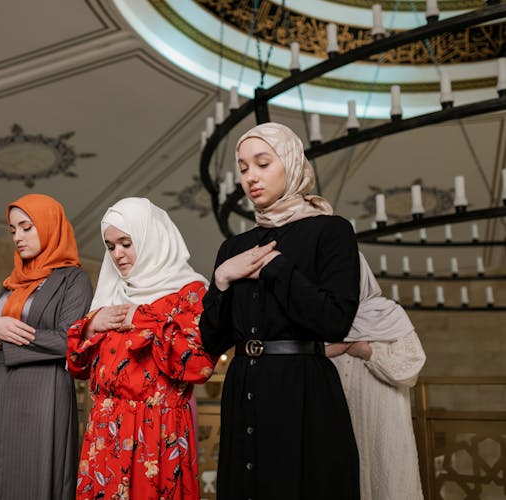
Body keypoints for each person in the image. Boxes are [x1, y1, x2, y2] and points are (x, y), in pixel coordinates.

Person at [200, 122, 361, 499]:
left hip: (303, 388)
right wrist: (222, 279)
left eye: (262, 163)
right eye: (243, 169)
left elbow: (335, 321)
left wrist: (277, 268)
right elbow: (210, 339)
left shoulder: (331, 230)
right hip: (244, 387)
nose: (250, 177)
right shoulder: (233, 248)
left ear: (290, 164)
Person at [67, 197, 215, 500]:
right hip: (106, 431)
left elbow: (199, 364)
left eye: (126, 243)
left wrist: (142, 319)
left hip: (156, 433)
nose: (118, 255)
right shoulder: (110, 291)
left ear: (150, 238)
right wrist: (92, 326)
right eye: (111, 247)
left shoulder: (190, 292)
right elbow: (78, 367)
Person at [0, 193, 93, 500]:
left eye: (26, 227)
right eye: (12, 230)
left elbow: (69, 339)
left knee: (32, 474)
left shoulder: (73, 280)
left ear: (48, 226)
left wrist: (2, 336)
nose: (18, 236)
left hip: (42, 391)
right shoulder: (13, 283)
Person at [326, 253, 426, 500]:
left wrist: (370, 353)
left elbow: (411, 367)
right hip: (336, 419)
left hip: (383, 421)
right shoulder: (323, 318)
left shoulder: (390, 315)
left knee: (387, 480)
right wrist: (324, 351)